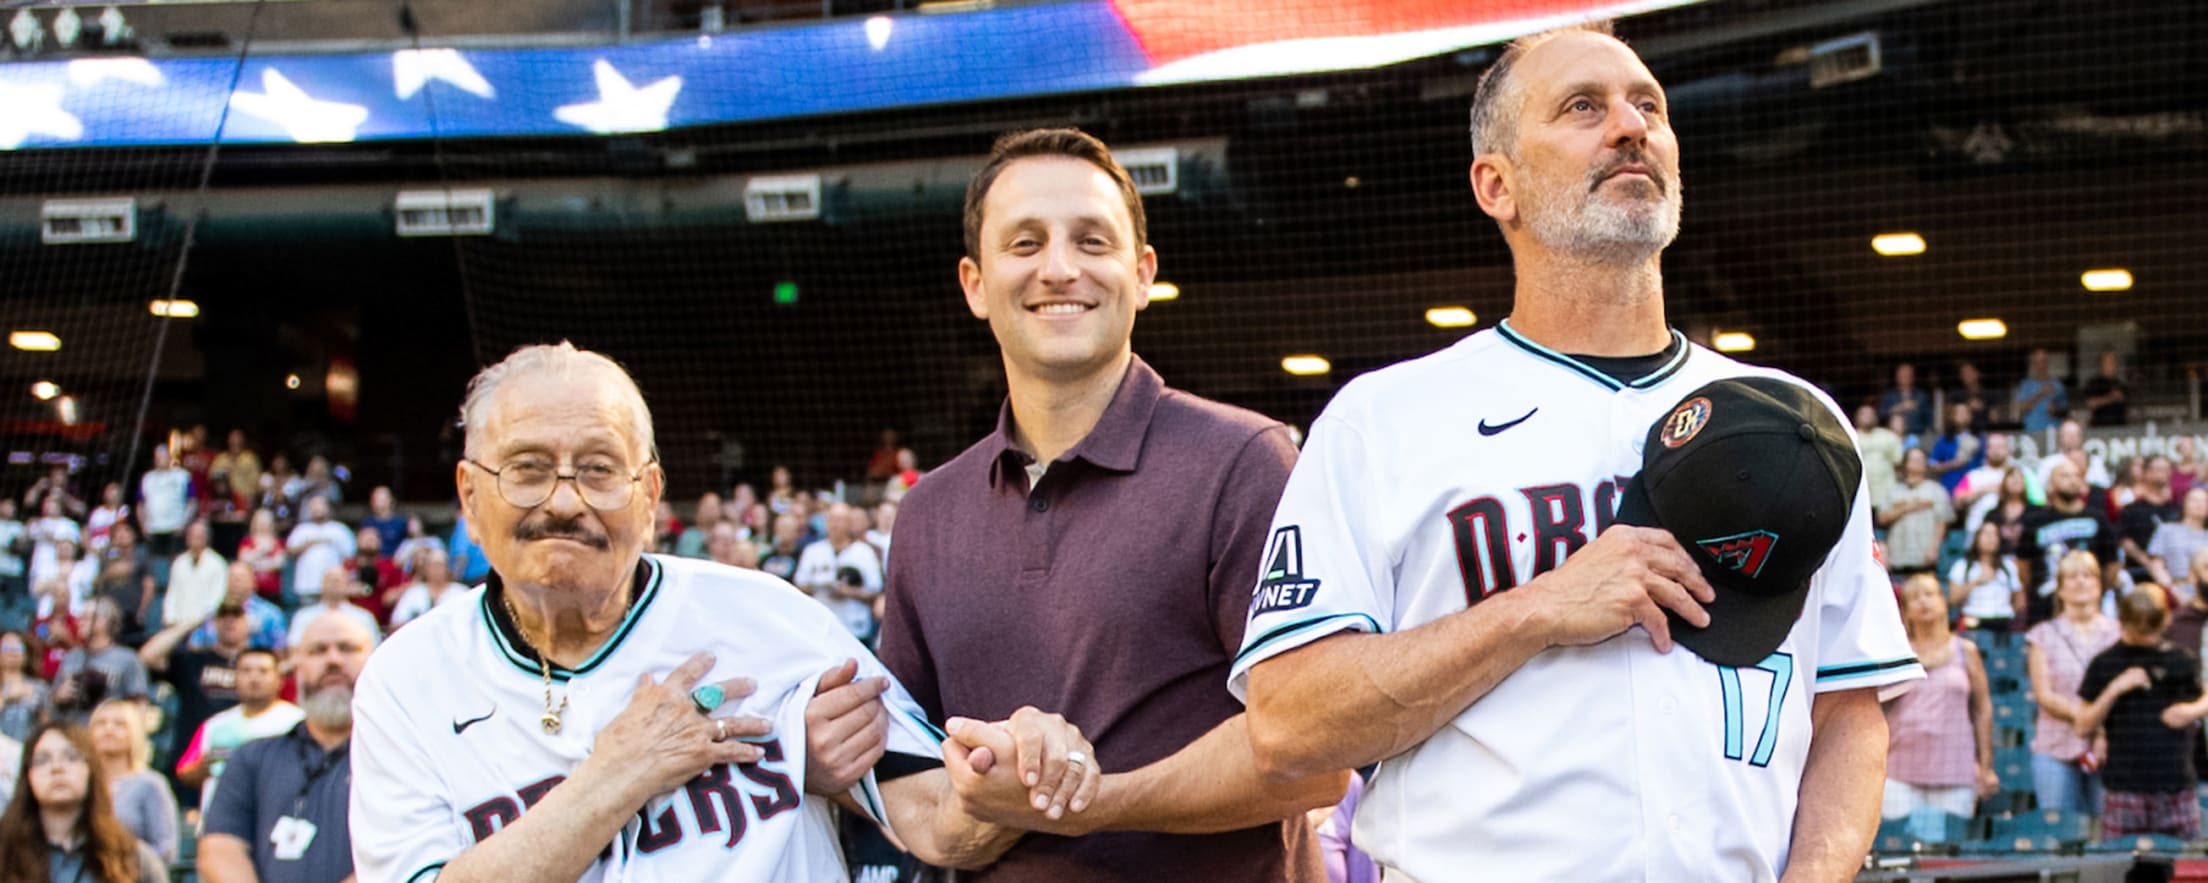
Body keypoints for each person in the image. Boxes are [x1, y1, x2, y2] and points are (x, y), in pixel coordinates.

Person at [1230, 24, 1919, 881]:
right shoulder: (1382, 418)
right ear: (1497, 184)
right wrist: (1535, 609)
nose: (1630, 127)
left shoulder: (1796, 418)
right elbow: (1288, 724)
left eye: (1649, 107)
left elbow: (1849, 709)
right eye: (1582, 107)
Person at [349, 342, 1096, 882]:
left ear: (649, 498)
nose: (566, 500)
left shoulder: (763, 615)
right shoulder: (405, 679)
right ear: (468, 498)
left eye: (600, 469)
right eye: (528, 469)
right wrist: (619, 774)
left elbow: (937, 819)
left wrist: (1014, 768)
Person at [863, 128, 1342, 882]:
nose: (1059, 269)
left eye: (1091, 241)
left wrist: (1082, 797)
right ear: (974, 283)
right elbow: (903, 770)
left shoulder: (1244, 461)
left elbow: (1316, 758)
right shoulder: (929, 513)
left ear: (1142, 272)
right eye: (1025, 243)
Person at [199, 613, 374, 883]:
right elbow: (220, 849)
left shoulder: (399, 760)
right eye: (318, 650)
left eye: (347, 648)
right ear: (297, 666)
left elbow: (400, 857)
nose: (333, 660)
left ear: (375, 662)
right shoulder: (250, 758)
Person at [2073, 586, 2203, 837]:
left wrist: (2191, 710)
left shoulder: (2180, 659)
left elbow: (2204, 696)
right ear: (2124, 623)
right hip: (2125, 788)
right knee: (2120, 867)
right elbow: (2083, 726)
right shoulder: (2105, 663)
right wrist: (2114, 690)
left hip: (2175, 784)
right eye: (2141, 630)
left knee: (2186, 869)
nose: (2149, 638)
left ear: (2165, 621)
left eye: (2153, 630)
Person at [1882, 575, 1996, 837]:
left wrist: (1986, 766)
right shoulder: (1896, 652)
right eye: (1915, 597)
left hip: (1955, 770)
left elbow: (1982, 710)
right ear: (1906, 610)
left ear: (1944, 603)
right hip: (1899, 770)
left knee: (1949, 859)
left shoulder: (1966, 650)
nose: (1923, 601)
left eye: (1930, 594)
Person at [0, 721, 166, 883]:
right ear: (28, 775)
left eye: (71, 757)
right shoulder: (5, 853)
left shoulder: (133, 858)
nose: (57, 767)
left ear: (91, 770)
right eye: (43, 759)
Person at [2024, 550, 2120, 813]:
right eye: (2072, 576)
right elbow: (2045, 695)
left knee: (2108, 835)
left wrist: (2100, 731)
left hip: (2110, 746)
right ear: (2060, 589)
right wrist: (2090, 717)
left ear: (2099, 585)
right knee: (2061, 836)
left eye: (2088, 575)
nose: (2080, 582)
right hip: (2055, 746)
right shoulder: (2042, 635)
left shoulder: (2118, 633)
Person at [138, 602, 253, 787]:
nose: (230, 622)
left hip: (242, 756)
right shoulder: (194, 659)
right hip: (192, 758)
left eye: (237, 616)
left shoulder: (258, 666)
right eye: (223, 617)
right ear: (214, 623)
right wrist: (189, 624)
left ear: (248, 623)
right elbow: (148, 657)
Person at [176, 645, 300, 816]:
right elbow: (184, 771)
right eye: (246, 670)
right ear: (235, 678)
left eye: (263, 671)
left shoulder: (298, 722)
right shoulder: (215, 725)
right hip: (220, 825)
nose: (254, 678)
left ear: (279, 679)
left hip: (277, 821)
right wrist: (201, 769)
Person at [2018, 460, 2122, 626]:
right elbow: (2023, 567)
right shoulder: (2035, 521)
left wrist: (2097, 591)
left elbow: (2112, 564)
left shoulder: (2098, 519)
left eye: (2076, 476)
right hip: (2044, 609)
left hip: (2088, 609)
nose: (2072, 480)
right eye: (2064, 476)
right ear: (2051, 484)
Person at [87, 699, 177, 863]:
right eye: (101, 723)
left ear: (134, 732)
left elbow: (166, 849)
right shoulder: (81, 782)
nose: (109, 729)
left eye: (119, 724)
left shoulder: (150, 784)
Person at [49, 601, 147, 727]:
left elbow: (139, 703)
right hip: (73, 729)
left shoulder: (127, 659)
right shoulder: (71, 657)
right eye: (80, 617)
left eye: (86, 617)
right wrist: (59, 696)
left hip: (107, 730)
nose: (80, 622)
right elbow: (52, 698)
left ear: (104, 622)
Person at [794, 503, 883, 640]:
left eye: (839, 520)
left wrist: (848, 592)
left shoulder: (863, 552)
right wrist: (819, 586)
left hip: (854, 627)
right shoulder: (812, 551)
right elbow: (800, 584)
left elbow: (875, 589)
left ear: (849, 523)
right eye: (831, 519)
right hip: (821, 627)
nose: (834, 525)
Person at [1879, 448, 1953, 578]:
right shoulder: (1892, 491)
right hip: (1897, 559)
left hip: (1924, 560)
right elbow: (1882, 519)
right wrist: (1906, 508)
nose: (1917, 463)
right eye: (1913, 459)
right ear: (1905, 463)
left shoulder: (1936, 490)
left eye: (1920, 460)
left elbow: (1942, 522)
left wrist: (1934, 549)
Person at [188, 563, 288, 654]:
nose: (236, 582)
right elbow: (195, 644)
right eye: (232, 578)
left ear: (253, 582)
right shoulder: (212, 612)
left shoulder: (271, 614)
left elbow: (280, 649)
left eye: (241, 578)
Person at [1948, 522, 2023, 632]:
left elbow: (2019, 600)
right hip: (1972, 620)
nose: (1991, 539)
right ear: (1976, 538)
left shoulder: (2008, 567)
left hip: (2002, 621)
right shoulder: (1962, 566)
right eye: (1986, 534)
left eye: (1995, 535)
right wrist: (1976, 581)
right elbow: (1953, 599)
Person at [2118, 455, 2180, 585]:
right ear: (2145, 473)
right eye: (2157, 469)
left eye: (2165, 469)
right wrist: (2148, 562)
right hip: (2139, 576)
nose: (2162, 473)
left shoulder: (2177, 509)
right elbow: (2124, 540)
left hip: (2174, 576)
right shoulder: (2131, 510)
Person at [284, 497, 353, 608]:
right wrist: (307, 544)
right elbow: (290, 551)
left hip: (334, 586)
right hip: (307, 585)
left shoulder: (339, 529)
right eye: (314, 506)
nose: (318, 509)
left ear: (328, 508)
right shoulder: (301, 529)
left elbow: (350, 555)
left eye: (321, 505)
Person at [286, 569, 379, 651]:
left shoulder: (364, 617)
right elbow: (294, 647)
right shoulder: (304, 616)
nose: (334, 585)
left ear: (347, 585)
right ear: (322, 585)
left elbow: (373, 648)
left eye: (338, 581)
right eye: (330, 581)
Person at [163, 521, 229, 627]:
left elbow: (217, 598)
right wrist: (169, 617)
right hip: (178, 624)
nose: (194, 540)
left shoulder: (218, 564)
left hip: (204, 626)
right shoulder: (179, 562)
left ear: (206, 538)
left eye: (198, 536)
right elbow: (172, 592)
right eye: (191, 536)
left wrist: (201, 621)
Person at [384, 546, 467, 629]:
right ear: (426, 569)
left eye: (440, 566)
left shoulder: (460, 591)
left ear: (447, 568)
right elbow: (396, 623)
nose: (437, 570)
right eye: (433, 566)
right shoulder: (414, 592)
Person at [2148, 488, 2208, 599]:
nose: (2199, 505)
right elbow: (2156, 565)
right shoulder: (2166, 530)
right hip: (2175, 589)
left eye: (2204, 501)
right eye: (2194, 500)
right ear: (2184, 503)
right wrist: (2172, 591)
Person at [138, 444, 196, 559]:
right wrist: (143, 525)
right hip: (153, 529)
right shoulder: (147, 478)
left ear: (170, 457)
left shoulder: (182, 476)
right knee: (155, 562)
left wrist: (184, 523)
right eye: (158, 457)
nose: (161, 460)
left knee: (176, 560)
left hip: (175, 528)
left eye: (164, 456)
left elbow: (192, 502)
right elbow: (140, 504)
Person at [0, 631, 49, 744]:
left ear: (26, 655)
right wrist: (6, 697)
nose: (12, 651)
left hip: (25, 751)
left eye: (18, 647)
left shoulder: (39, 687)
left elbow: (45, 726)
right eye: (6, 647)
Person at [1854, 404, 1902, 513]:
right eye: (1864, 413)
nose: (1868, 416)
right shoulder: (1851, 438)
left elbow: (1898, 463)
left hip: (1887, 491)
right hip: (1861, 493)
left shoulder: (1890, 437)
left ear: (1876, 417)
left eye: (1871, 414)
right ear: (1856, 418)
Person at [1927, 402, 1982, 495]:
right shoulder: (1944, 440)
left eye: (1964, 413)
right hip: (1949, 488)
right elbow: (1932, 465)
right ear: (1952, 417)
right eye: (1958, 413)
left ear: (1970, 416)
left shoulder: (1980, 440)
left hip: (1973, 489)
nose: (1961, 416)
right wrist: (1952, 464)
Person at [235, 509, 287, 604]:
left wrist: (255, 565)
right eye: (260, 521)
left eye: (265, 521)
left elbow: (279, 563)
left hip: (272, 592)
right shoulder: (247, 542)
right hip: (250, 591)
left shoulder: (277, 542)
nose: (263, 524)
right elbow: (243, 560)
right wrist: (261, 551)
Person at [2015, 348, 2069, 434]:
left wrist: (2056, 410)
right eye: (2037, 362)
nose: (2041, 365)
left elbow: (2065, 410)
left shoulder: (2058, 385)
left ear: (2047, 363)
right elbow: (2022, 408)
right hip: (2033, 431)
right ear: (2033, 364)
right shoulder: (2026, 385)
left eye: (2043, 361)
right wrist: (2040, 394)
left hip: (2054, 431)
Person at [2080, 351, 2130, 427]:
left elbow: (2127, 407)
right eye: (2109, 363)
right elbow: (2090, 404)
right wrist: (2111, 398)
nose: (2113, 366)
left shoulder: (2120, 384)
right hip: (2100, 426)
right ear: (2101, 365)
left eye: (2114, 362)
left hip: (2119, 426)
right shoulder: (2094, 383)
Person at [361, 486, 407, 555]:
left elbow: (406, 546)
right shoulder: (367, 523)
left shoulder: (400, 523)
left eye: (381, 499)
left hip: (394, 562)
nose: (377, 502)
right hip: (373, 562)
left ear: (390, 500)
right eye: (375, 499)